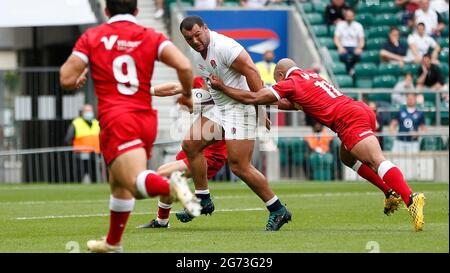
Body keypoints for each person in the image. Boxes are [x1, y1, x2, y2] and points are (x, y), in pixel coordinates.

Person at [208, 58, 425, 230]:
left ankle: (410, 198)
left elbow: (254, 98)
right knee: (347, 158)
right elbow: (293, 103)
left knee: (377, 160)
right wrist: (268, 103)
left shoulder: (291, 83)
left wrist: (223, 87)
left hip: (348, 119)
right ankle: (389, 192)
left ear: (281, 75)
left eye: (278, 81)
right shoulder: (311, 76)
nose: (279, 84)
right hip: (359, 110)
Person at [59, 0, 201, 253]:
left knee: (133, 182)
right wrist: (188, 95)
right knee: (118, 183)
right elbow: (184, 65)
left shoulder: (94, 36)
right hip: (146, 118)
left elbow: (66, 78)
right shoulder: (151, 36)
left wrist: (77, 79)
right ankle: (113, 242)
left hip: (117, 117)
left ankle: (170, 185)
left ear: (106, 11)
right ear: (136, 11)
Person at [177, 15, 291, 231]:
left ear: (206, 28)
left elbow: (252, 71)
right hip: (221, 109)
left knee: (239, 167)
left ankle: (278, 209)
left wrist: (261, 109)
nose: (195, 41)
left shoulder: (225, 47)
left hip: (242, 108)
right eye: (189, 38)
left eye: (198, 35)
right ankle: (203, 199)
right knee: (190, 144)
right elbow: (211, 84)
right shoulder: (195, 53)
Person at [138, 77, 228, 228]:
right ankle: (162, 221)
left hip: (211, 154)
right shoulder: (200, 80)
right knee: (168, 177)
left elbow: (251, 97)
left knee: (163, 173)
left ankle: (196, 201)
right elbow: (174, 88)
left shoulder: (226, 87)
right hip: (195, 147)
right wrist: (147, 91)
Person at [64, 104, 101, 183]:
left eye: (90, 111)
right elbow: (68, 139)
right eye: (86, 111)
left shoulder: (96, 123)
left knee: (95, 178)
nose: (89, 113)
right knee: (78, 177)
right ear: (82, 112)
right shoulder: (76, 123)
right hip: (80, 156)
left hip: (94, 155)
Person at [334, 8, 365, 74]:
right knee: (343, 56)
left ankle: (350, 69)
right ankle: (350, 70)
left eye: (351, 16)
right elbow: (336, 38)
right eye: (348, 16)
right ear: (345, 16)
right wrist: (340, 47)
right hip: (344, 46)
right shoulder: (340, 25)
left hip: (354, 47)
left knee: (357, 55)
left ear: (354, 16)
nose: (349, 18)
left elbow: (361, 40)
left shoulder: (358, 26)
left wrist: (359, 48)